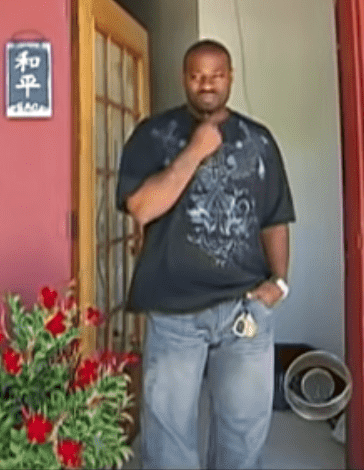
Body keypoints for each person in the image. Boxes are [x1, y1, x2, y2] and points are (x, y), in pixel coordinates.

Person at [116, 39, 295, 469]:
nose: (207, 84)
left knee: (244, 429)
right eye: (197, 76)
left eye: (216, 75)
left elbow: (275, 218)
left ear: (230, 77)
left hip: (244, 309)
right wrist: (194, 152)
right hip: (174, 309)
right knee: (168, 434)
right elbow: (142, 208)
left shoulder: (260, 140)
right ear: (185, 79)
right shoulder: (153, 135)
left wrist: (279, 283)